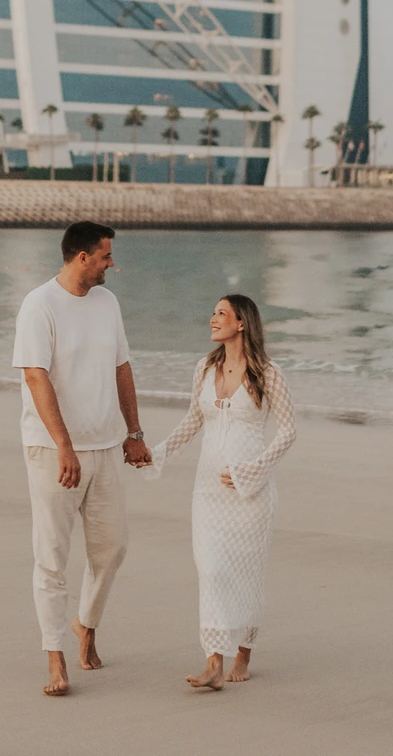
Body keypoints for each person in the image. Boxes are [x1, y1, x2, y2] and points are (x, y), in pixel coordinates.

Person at [12, 220, 152, 697]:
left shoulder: (107, 303)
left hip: (106, 445)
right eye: (106, 256)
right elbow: (35, 376)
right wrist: (64, 447)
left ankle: (85, 624)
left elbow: (122, 366)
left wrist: (134, 433)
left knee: (112, 548)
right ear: (82, 258)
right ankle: (55, 659)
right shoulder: (39, 305)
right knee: (51, 557)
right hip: (54, 451)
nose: (113, 263)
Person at [143, 293, 295, 689]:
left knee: (246, 574)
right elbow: (193, 420)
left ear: (242, 323)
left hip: (252, 495)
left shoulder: (269, 373)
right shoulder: (204, 369)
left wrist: (254, 469)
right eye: (212, 312)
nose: (212, 319)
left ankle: (242, 653)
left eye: (221, 314)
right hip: (208, 492)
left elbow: (288, 431)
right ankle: (213, 661)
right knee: (211, 570)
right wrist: (158, 452)